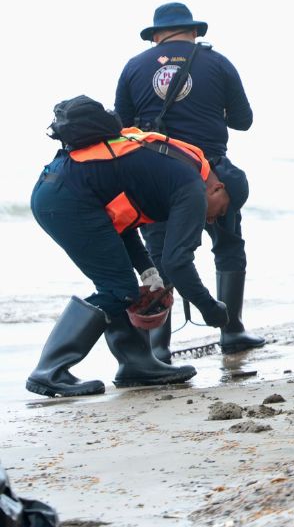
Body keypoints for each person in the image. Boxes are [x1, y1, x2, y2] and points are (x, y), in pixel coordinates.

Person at [26, 98, 232, 397]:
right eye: (220, 211)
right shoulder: (191, 186)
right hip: (68, 200)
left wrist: (148, 272)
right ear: (218, 188)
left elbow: (120, 222)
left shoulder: (171, 165)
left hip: (56, 189)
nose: (212, 220)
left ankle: (136, 364)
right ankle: (50, 371)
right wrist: (211, 308)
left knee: (120, 287)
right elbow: (177, 262)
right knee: (117, 289)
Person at [115, 2, 264, 359]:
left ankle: (159, 347)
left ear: (155, 36)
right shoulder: (218, 63)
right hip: (210, 173)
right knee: (228, 246)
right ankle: (231, 330)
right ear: (194, 32)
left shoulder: (134, 67)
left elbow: (121, 129)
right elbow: (243, 121)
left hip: (155, 176)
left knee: (160, 258)